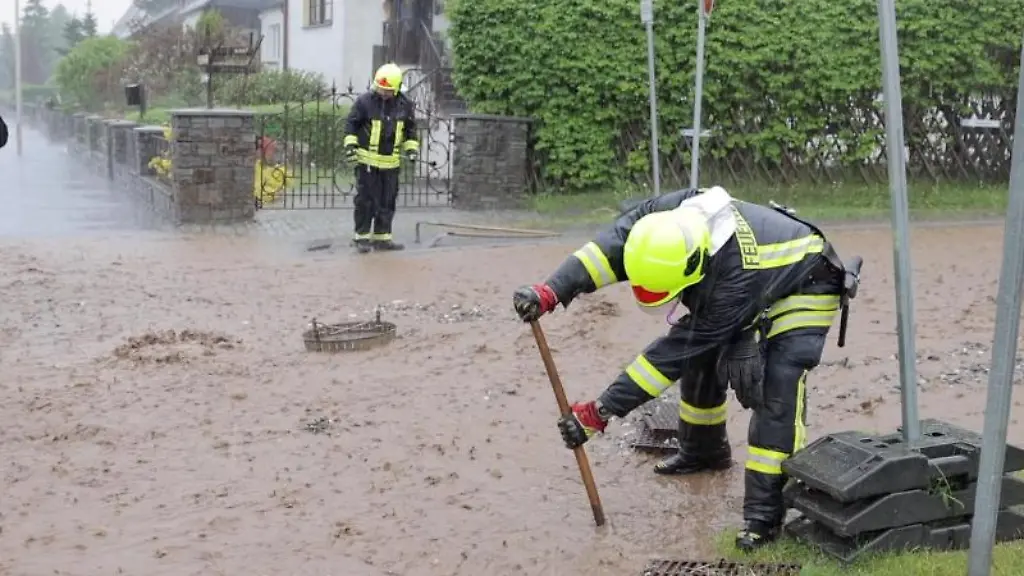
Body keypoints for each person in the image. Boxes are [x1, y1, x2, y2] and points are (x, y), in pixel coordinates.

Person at [512, 186, 862, 552]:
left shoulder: (731, 281)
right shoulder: (655, 223)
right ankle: (703, 453)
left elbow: (667, 359)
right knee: (702, 359)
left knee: (777, 390)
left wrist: (599, 412)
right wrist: (550, 291)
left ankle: (765, 517)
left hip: (805, 282)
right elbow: (603, 253)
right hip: (749, 281)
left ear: (694, 266)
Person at [343, 62, 420, 253]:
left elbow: (410, 131)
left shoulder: (405, 106)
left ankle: (382, 238)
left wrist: (411, 149)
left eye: (387, 90)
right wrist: (351, 147)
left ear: (396, 89)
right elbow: (352, 125)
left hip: (391, 164)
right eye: (381, 89)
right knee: (365, 201)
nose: (383, 93)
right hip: (367, 163)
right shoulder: (364, 102)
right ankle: (361, 238)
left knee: (387, 201)